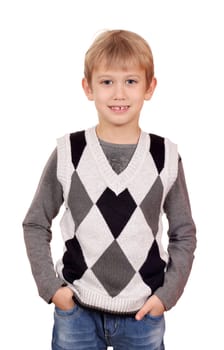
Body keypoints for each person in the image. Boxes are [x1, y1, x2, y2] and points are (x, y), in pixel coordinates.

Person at [23, 29, 196, 350]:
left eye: (130, 81)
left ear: (150, 87)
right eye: (106, 82)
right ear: (88, 87)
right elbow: (35, 222)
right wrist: (52, 289)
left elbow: (183, 232)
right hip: (76, 312)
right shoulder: (69, 152)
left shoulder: (165, 156)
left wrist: (166, 296)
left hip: (144, 314)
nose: (119, 93)